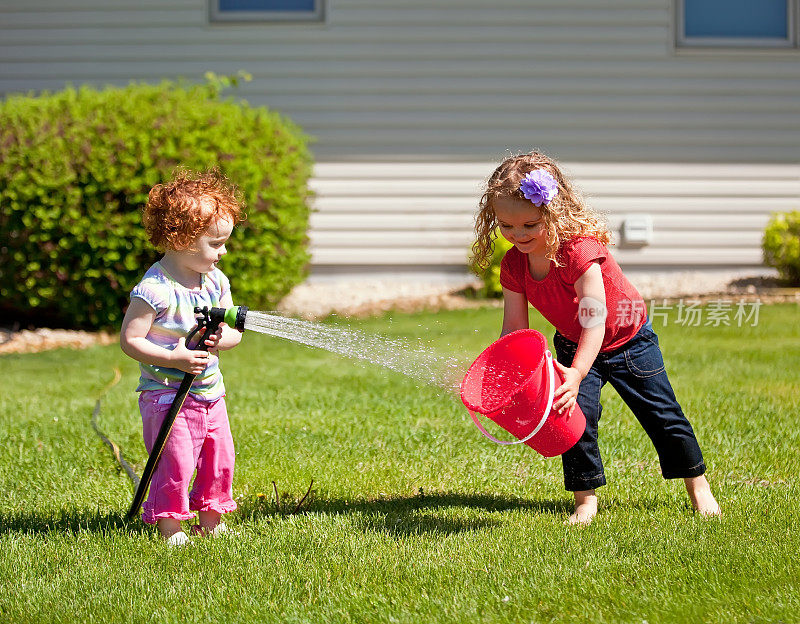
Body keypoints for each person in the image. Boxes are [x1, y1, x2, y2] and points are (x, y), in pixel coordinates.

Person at [472, 152, 720, 525]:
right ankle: (585, 499)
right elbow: (514, 331)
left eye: (530, 224)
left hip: (627, 340)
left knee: (662, 416)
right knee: (573, 418)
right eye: (506, 226)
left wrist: (576, 374)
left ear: (553, 213)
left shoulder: (579, 251)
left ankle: (698, 486)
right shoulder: (514, 265)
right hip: (573, 344)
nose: (518, 235)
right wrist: (505, 376)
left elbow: (595, 320)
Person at [120, 169, 245, 545]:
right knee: (175, 462)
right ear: (181, 238)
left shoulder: (216, 282)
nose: (223, 251)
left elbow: (234, 332)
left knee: (218, 458)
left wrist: (225, 338)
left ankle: (210, 517)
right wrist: (172, 358)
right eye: (216, 243)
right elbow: (130, 340)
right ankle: (170, 526)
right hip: (166, 394)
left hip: (210, 392)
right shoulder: (154, 290)